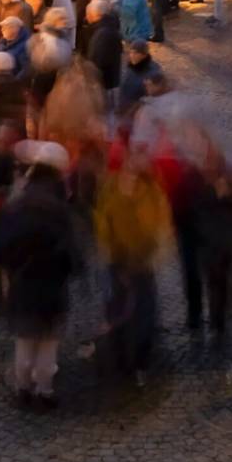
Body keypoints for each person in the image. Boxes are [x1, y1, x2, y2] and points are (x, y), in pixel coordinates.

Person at [0, 142, 79, 408]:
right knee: (47, 345)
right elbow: (70, 251)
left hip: (23, 283)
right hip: (51, 285)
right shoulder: (59, 207)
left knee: (25, 341)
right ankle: (44, 391)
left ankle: (23, 389)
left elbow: (3, 244)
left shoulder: (18, 202)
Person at [94, 142, 170, 384]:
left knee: (144, 316)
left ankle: (140, 363)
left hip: (143, 263)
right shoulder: (110, 188)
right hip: (118, 262)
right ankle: (120, 361)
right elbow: (102, 222)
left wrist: (154, 254)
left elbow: (161, 226)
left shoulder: (152, 190)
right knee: (118, 313)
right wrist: (109, 251)